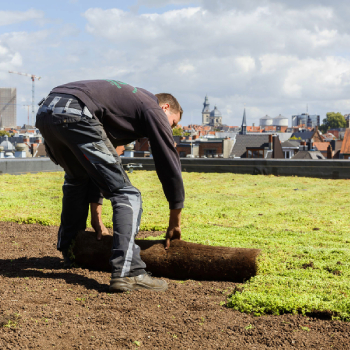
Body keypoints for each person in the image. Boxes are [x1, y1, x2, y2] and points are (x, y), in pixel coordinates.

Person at [35, 79, 185, 293]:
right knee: (127, 194)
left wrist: (96, 217)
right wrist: (175, 221)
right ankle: (129, 272)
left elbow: (97, 170)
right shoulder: (152, 107)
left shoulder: (126, 107)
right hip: (78, 110)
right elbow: (169, 165)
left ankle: (72, 251)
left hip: (48, 110)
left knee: (77, 178)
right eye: (173, 123)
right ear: (166, 108)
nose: (171, 129)